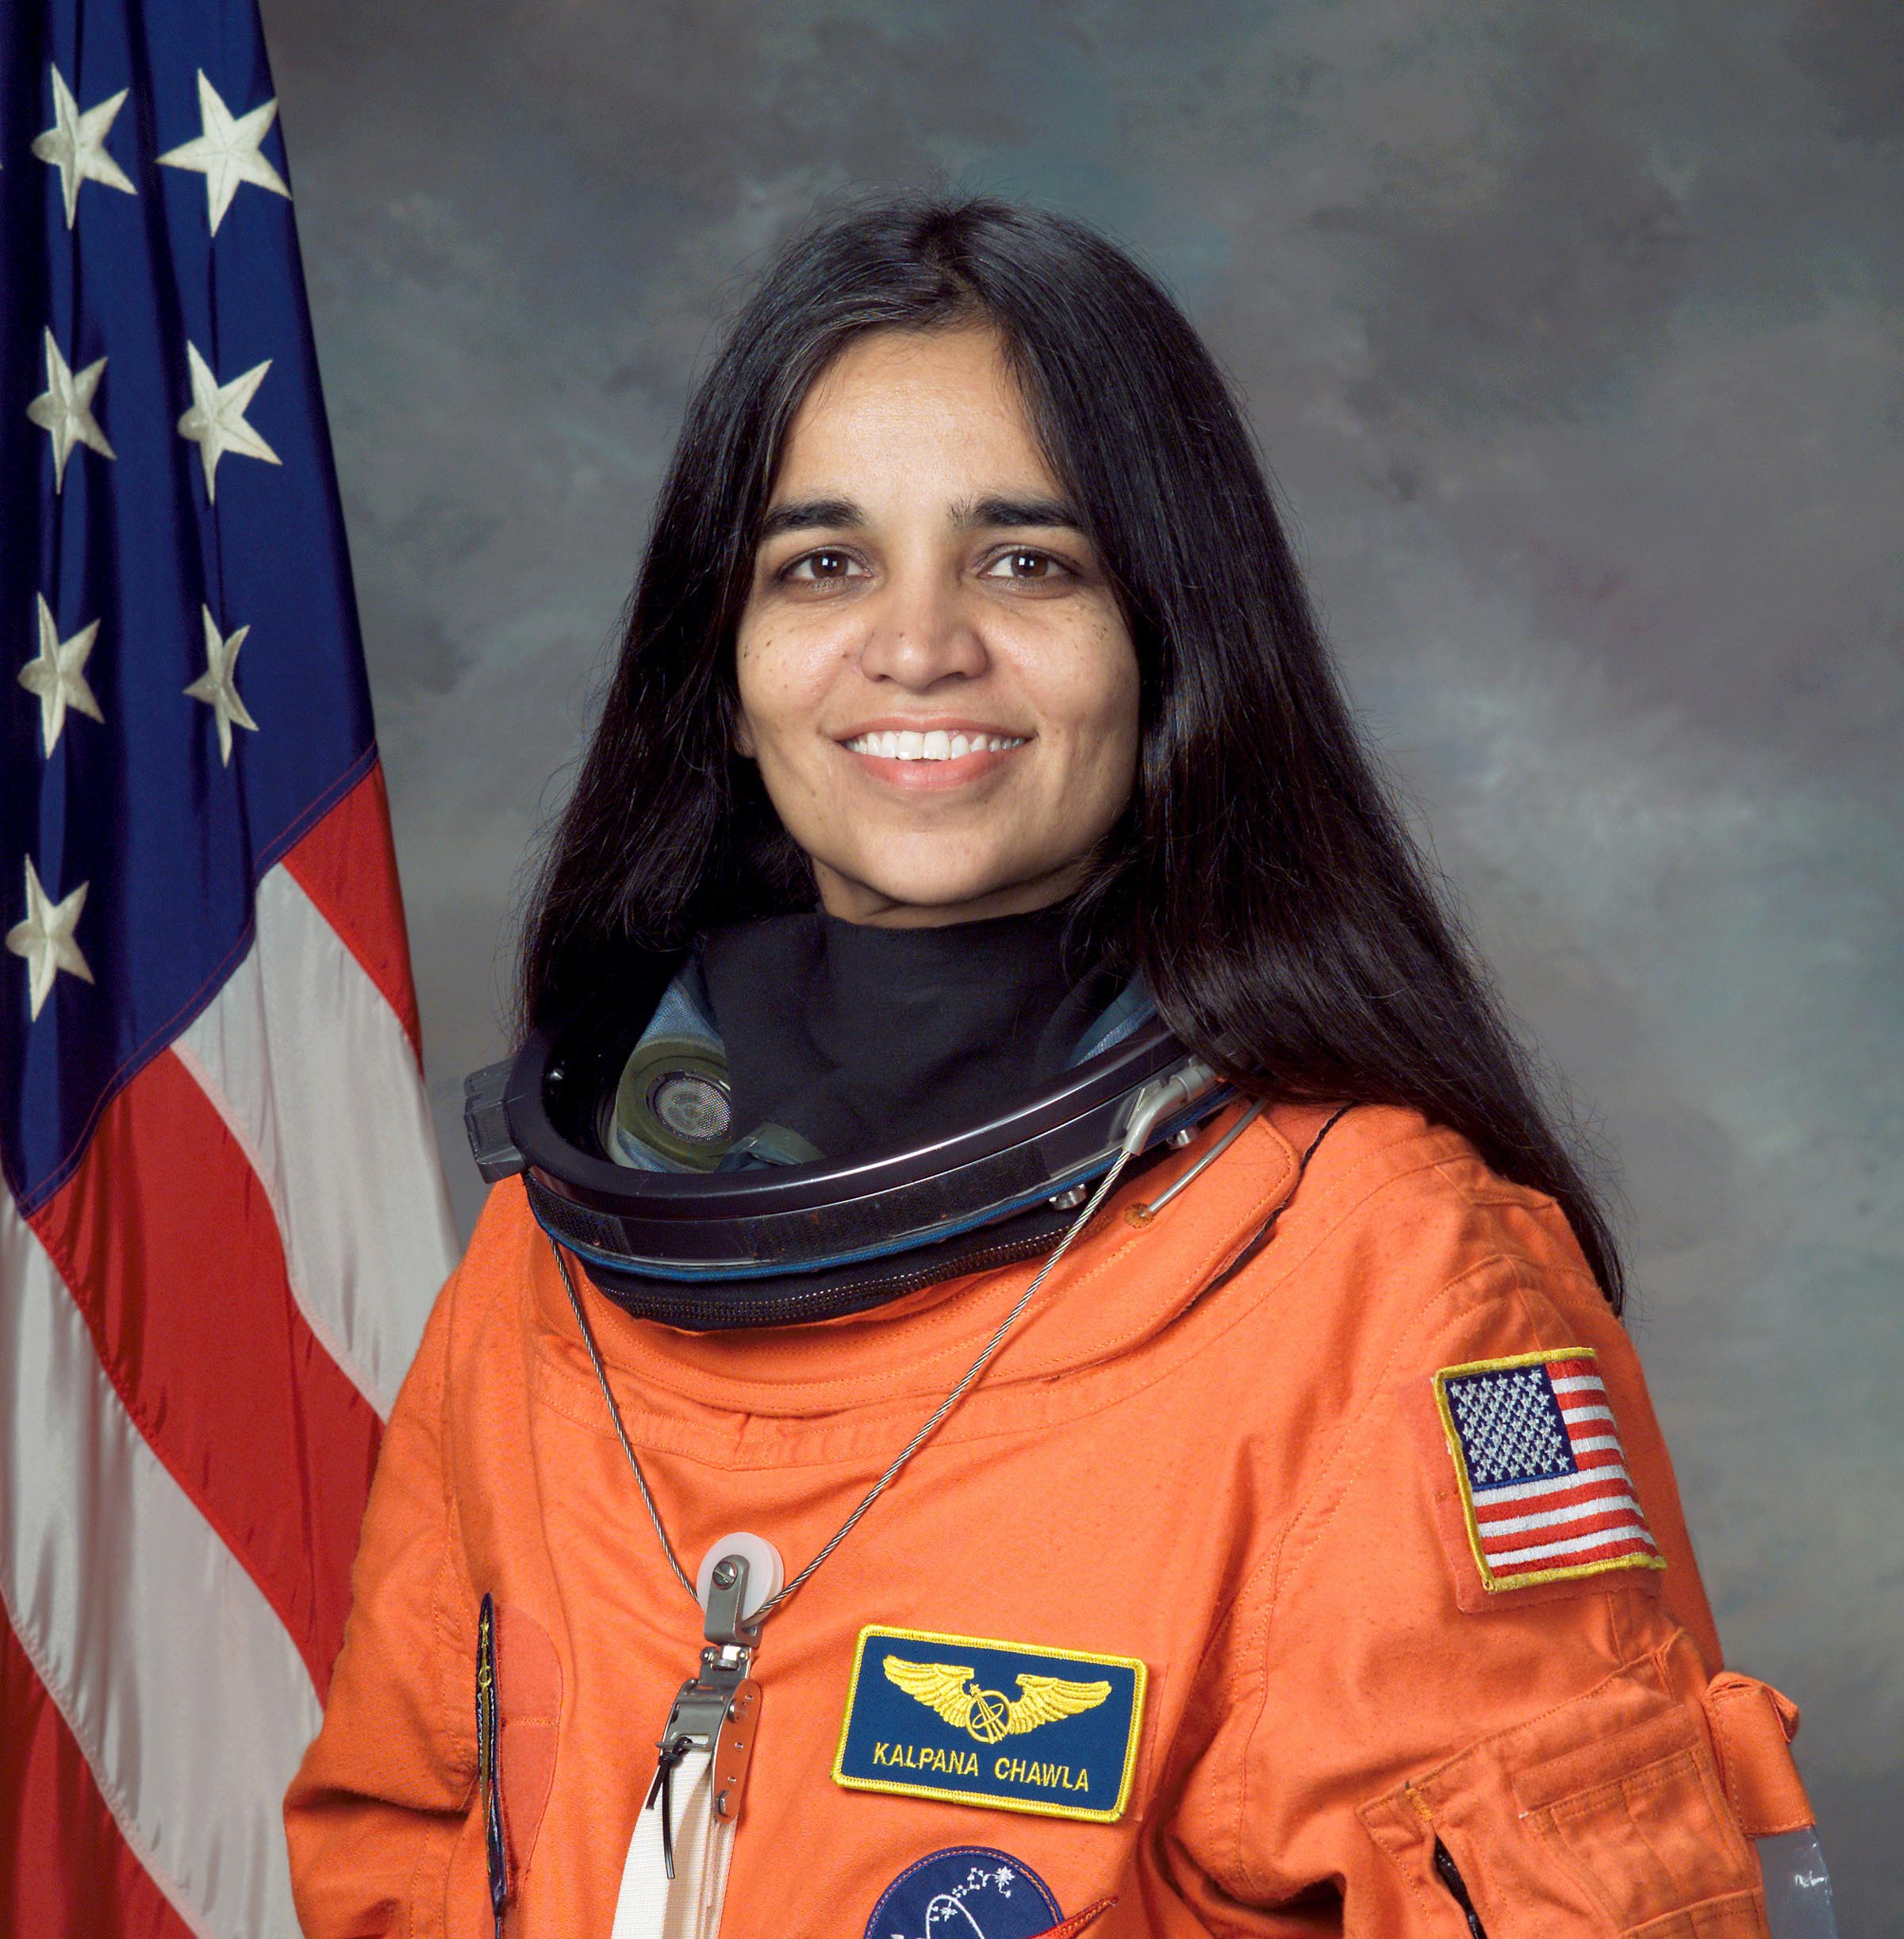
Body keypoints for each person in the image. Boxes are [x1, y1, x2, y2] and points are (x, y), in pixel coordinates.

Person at [284, 194, 1833, 1939]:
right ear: (719, 671)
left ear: (1166, 641)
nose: (921, 643)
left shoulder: (1392, 1278)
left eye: (1028, 560)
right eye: (824, 562)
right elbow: (396, 1851)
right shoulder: (550, 1268)